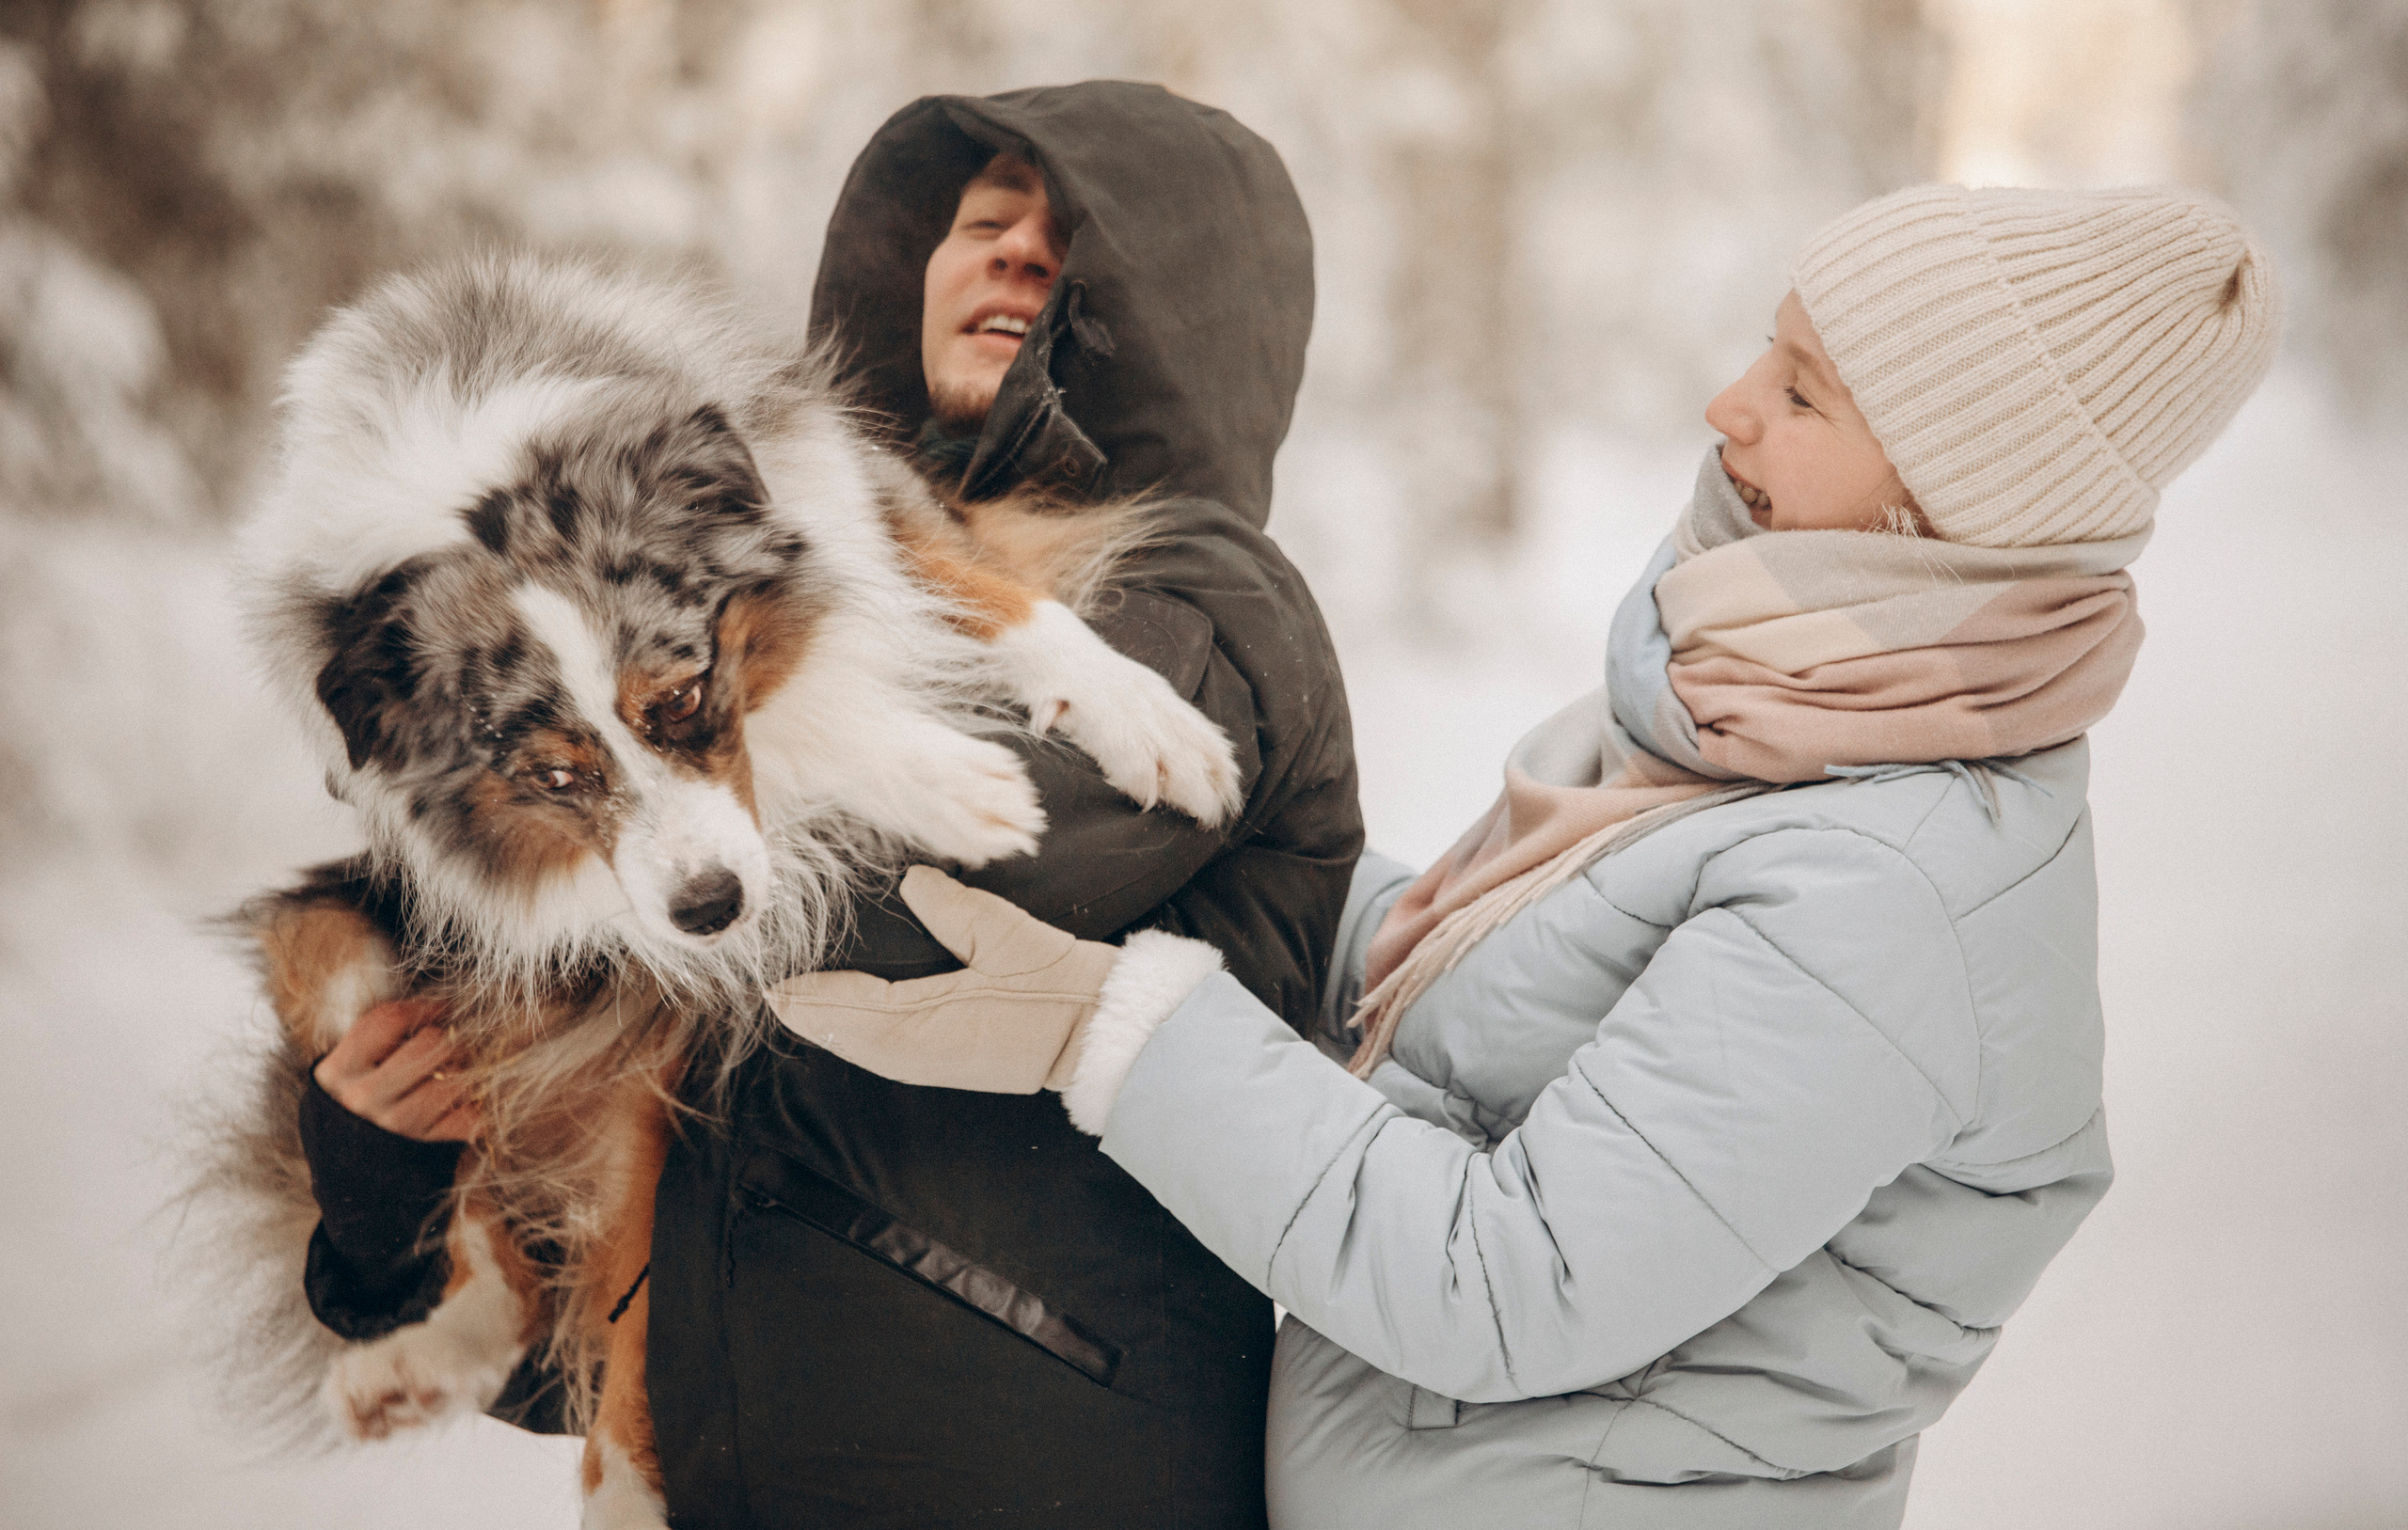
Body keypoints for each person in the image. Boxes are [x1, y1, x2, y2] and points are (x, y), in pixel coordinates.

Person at [767, 183, 2282, 1527]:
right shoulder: (1762, 710)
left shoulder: (1887, 887)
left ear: (1946, 505)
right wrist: (1230, 829)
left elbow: (1510, 1282)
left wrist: (1108, 1031)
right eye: (1771, 346)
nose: (1728, 405)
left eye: (1804, 395)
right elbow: (1486, 1012)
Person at [298, 81, 1361, 1528]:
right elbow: (584, 1337)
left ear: (1185, 310)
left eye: (1072, 242)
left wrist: (514, 929)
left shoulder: (1196, 607)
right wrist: (387, 1186)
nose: (1012, 257)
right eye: (981, 225)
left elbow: (867, 922)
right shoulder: (679, 604)